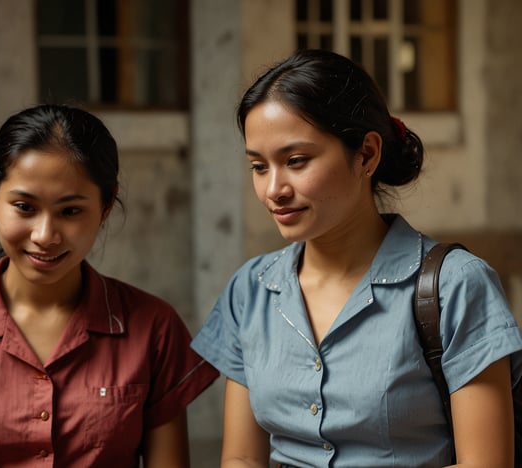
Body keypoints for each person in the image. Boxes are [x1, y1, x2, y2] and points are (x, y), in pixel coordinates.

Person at [191, 49, 522, 467]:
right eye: (259, 166)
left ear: (366, 154)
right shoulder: (250, 289)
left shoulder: (456, 285)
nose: (274, 189)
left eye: (296, 161)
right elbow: (241, 458)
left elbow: (486, 464)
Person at [0, 104, 219, 467]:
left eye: (70, 211)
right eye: (24, 206)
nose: (45, 235)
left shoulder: (153, 329)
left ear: (107, 203)